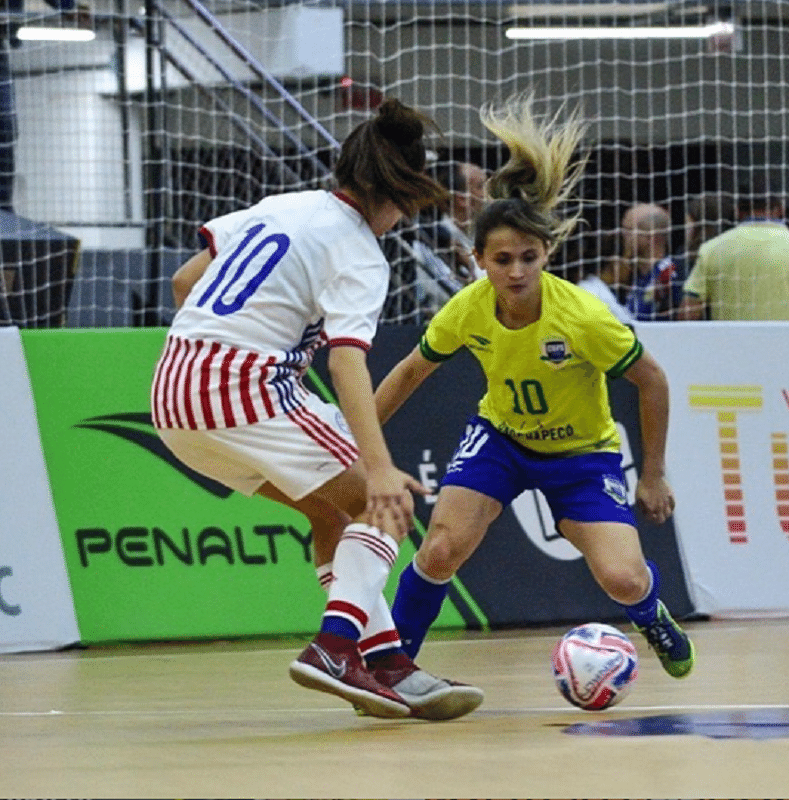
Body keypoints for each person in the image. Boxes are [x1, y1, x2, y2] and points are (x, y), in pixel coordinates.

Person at [151, 98, 484, 721]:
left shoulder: (282, 206)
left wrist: (238, 333)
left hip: (172, 389)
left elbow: (183, 282)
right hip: (243, 387)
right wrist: (380, 468)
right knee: (385, 505)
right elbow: (346, 363)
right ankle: (334, 649)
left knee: (334, 512)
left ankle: (384, 660)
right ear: (402, 190)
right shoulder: (359, 251)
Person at [374, 92, 696, 681]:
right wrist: (360, 442)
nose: (516, 272)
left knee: (622, 579)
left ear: (547, 253)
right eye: (502, 260)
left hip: (580, 453)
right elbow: (411, 371)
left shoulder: (581, 317)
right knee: (442, 547)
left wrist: (652, 473)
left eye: (528, 257)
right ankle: (389, 669)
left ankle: (650, 615)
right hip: (500, 439)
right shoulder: (466, 309)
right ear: (479, 259)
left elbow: (652, 380)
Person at [679, 174, 789, 321]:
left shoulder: (712, 249)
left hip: (731, 342)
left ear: (737, 211)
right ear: (780, 209)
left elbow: (688, 312)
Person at [622, 202, 684, 321]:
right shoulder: (634, 277)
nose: (623, 236)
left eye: (629, 230)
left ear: (652, 237)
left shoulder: (669, 275)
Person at [576, 231, 634, 326]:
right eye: (629, 259)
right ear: (615, 263)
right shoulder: (599, 297)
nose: (630, 267)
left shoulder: (588, 287)